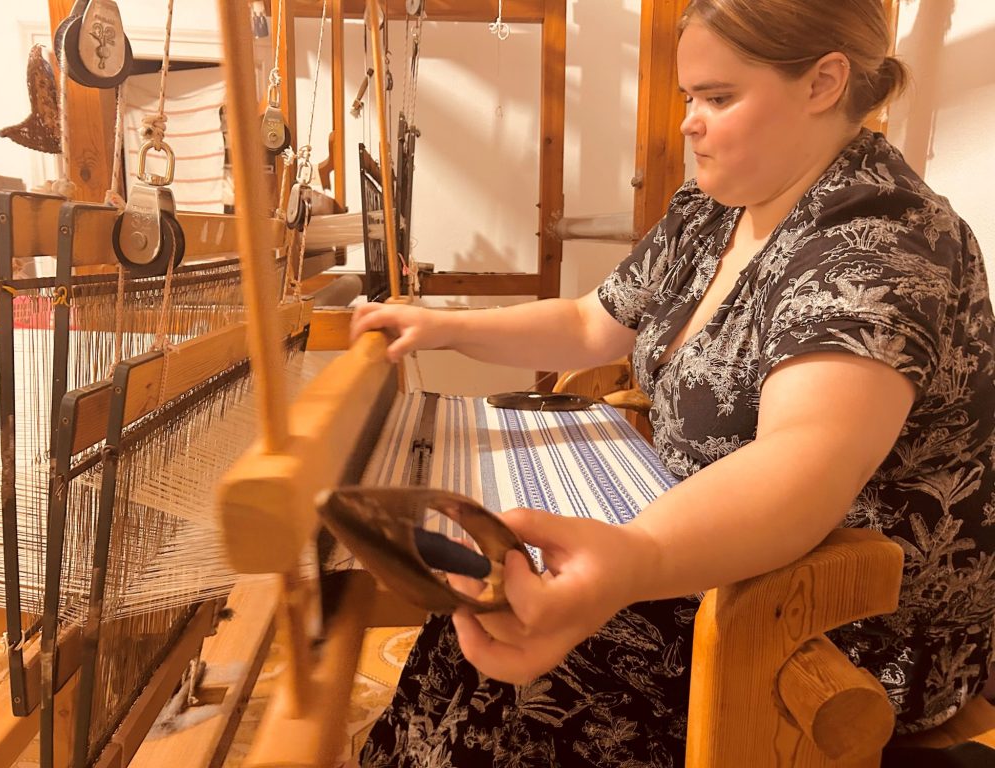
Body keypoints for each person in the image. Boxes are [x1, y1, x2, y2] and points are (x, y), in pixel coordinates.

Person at [350, 0, 995, 765]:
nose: (689, 121)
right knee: (471, 623)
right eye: (690, 98)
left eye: (718, 98)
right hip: (727, 549)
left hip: (848, 615)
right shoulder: (713, 212)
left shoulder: (883, 242)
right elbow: (594, 321)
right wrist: (442, 324)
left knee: (536, 678)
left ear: (823, 82)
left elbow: (806, 461)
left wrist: (634, 559)